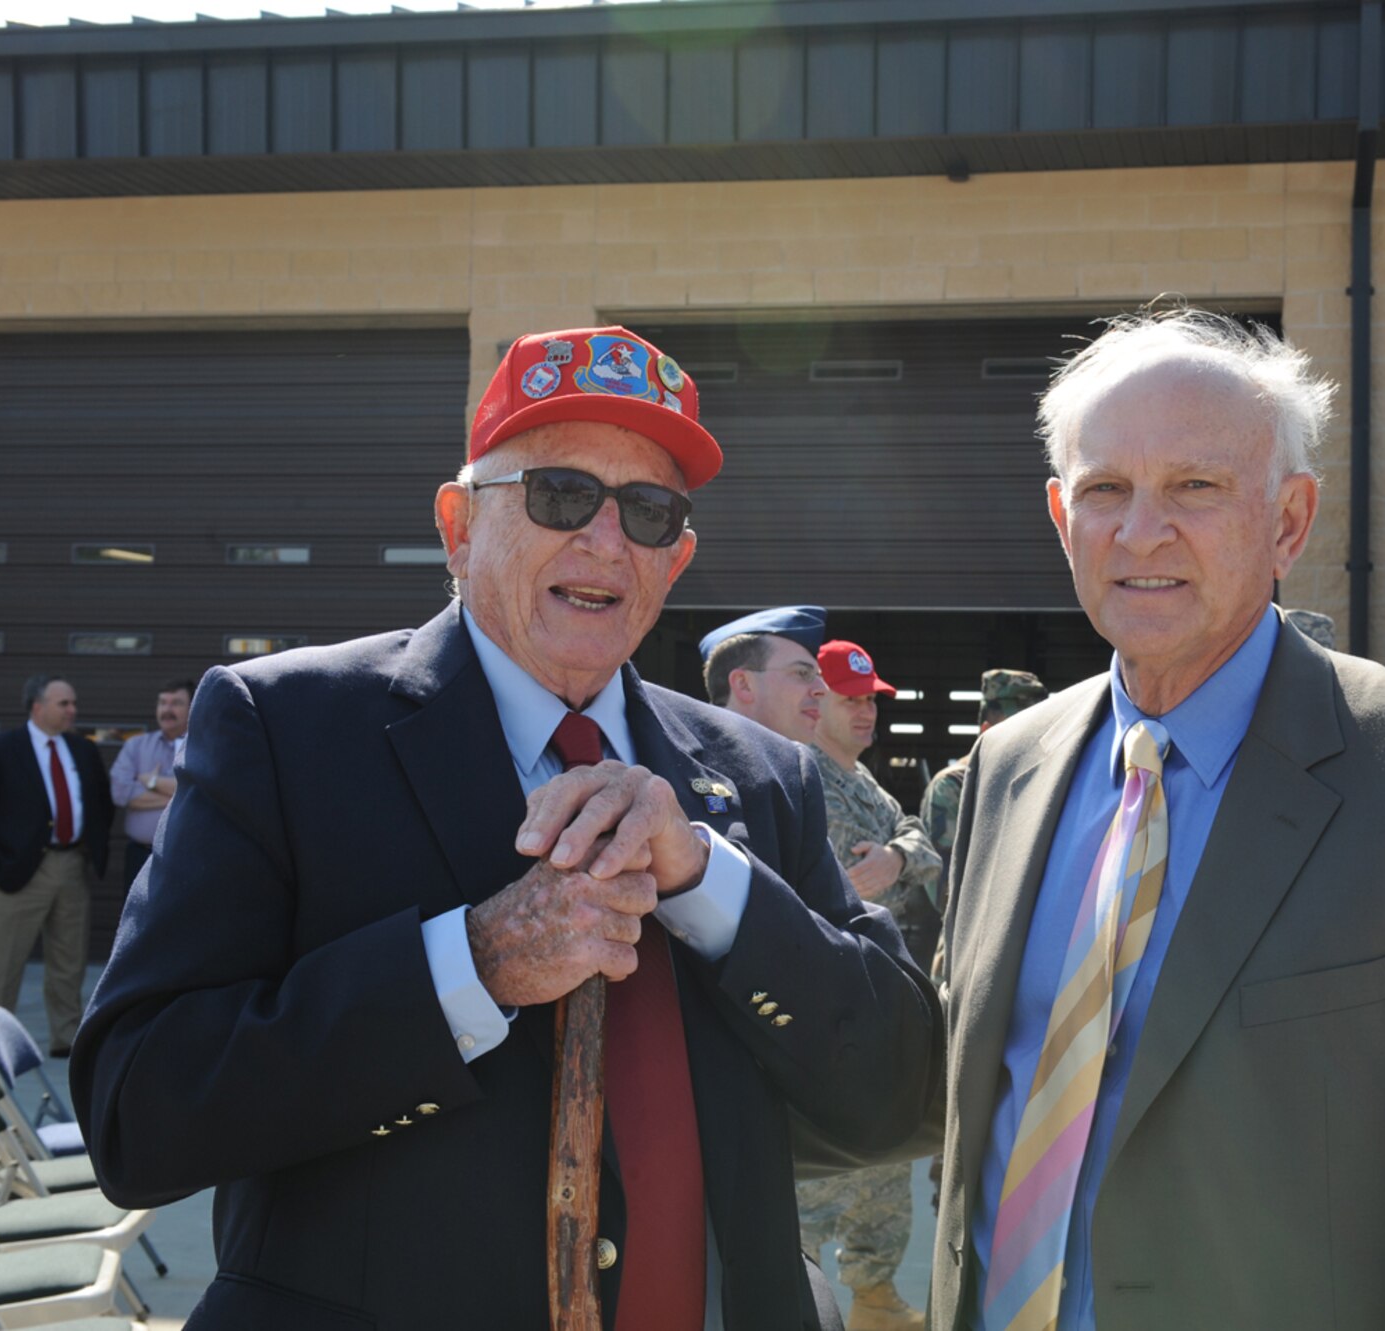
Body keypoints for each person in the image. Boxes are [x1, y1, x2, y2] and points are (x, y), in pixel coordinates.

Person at [73, 326, 940, 1331]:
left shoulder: (761, 775)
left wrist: (711, 882)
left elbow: (898, 1094)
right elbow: (138, 1110)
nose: (606, 540)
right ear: (457, 525)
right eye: (560, 493)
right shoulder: (288, 728)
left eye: (648, 512)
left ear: (678, 556)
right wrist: (467, 968)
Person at [930, 309, 1385, 1329]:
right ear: (1058, 514)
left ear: (1288, 521)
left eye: (1194, 487)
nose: (1138, 531)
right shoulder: (1008, 766)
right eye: (1103, 488)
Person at [799, 638, 943, 1331]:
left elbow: (922, 838)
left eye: (871, 700)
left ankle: (875, 1296)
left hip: (882, 1003)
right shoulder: (800, 776)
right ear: (814, 699)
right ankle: (802, 1296)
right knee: (817, 1173)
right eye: (850, 699)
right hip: (829, 1006)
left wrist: (896, 855)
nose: (865, 712)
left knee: (884, 1161)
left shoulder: (868, 783)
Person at [0, 674, 111, 1055]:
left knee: (68, 960)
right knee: (1, 963)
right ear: (37, 707)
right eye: (64, 704)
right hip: (18, 872)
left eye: (73, 703)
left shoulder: (83, 750)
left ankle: (66, 1037)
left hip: (72, 865)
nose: (73, 710)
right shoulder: (0, 749)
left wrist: (90, 849)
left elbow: (101, 804)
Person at [919, 669, 1048, 892]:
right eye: (1020, 732)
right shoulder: (953, 787)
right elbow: (944, 890)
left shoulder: (1043, 782)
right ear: (987, 732)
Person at [108, 678, 195, 891]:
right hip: (141, 856)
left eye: (176, 703)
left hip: (191, 855)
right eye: (162, 703)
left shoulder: (204, 747)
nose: (167, 709)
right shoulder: (136, 746)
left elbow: (206, 791)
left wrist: (152, 782)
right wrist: (180, 793)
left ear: (193, 707)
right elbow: (120, 792)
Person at [700, 605, 831, 744]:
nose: (823, 689)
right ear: (743, 684)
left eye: (819, 676)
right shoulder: (686, 762)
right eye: (802, 673)